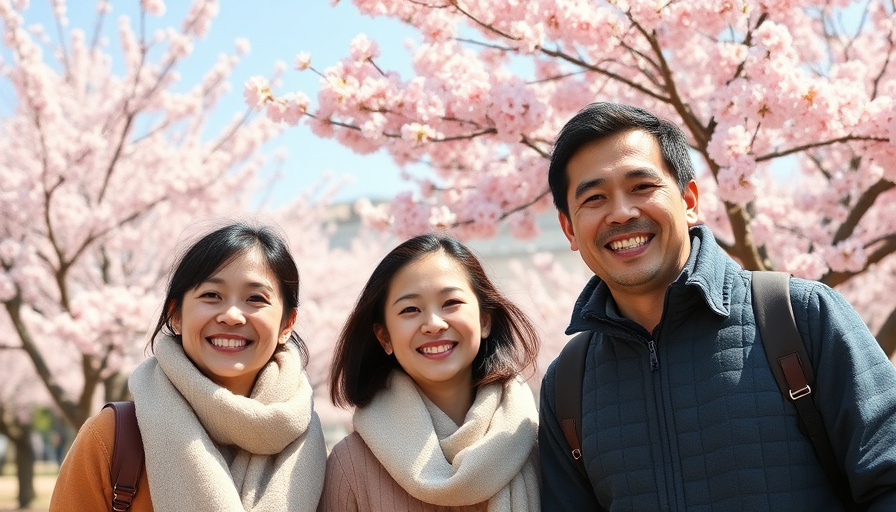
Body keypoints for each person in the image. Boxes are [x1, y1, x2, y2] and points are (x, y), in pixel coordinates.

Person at [538, 102, 896, 510]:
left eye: (642, 187)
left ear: (689, 200)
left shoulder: (803, 317)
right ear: (569, 228)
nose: (621, 213)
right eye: (595, 198)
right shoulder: (568, 384)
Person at [50, 222, 327, 511]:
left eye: (255, 298)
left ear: (287, 324)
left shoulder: (314, 448)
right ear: (176, 314)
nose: (232, 315)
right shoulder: (112, 437)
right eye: (211, 295)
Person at [318, 234, 541, 511]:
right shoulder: (351, 464)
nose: (433, 324)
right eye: (410, 309)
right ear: (384, 337)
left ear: (485, 320)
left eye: (451, 303)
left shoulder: (537, 443)